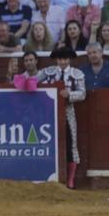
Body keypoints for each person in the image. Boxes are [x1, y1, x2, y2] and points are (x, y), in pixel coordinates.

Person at [37, 47, 86, 189]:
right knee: (47, 143)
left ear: (69, 59)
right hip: (48, 112)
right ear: (56, 59)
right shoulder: (48, 72)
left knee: (71, 145)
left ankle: (70, 181)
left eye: (65, 59)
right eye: (60, 59)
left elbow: (82, 94)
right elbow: (33, 82)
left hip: (67, 112)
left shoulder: (77, 74)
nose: (63, 61)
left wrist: (69, 94)